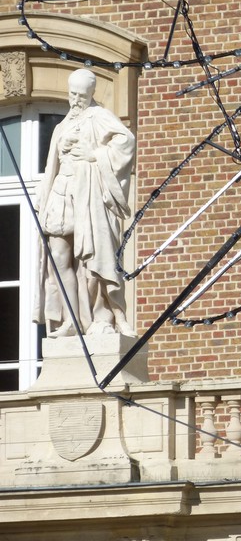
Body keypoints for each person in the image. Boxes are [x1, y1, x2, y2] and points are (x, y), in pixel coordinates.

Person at [34, 68, 136, 338]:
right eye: (72, 94)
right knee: (58, 256)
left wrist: (94, 155)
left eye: (81, 94)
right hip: (61, 191)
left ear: (91, 93)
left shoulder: (99, 116)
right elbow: (52, 165)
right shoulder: (62, 124)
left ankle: (103, 316)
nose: (75, 99)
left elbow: (126, 142)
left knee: (93, 258)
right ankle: (73, 319)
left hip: (86, 194)